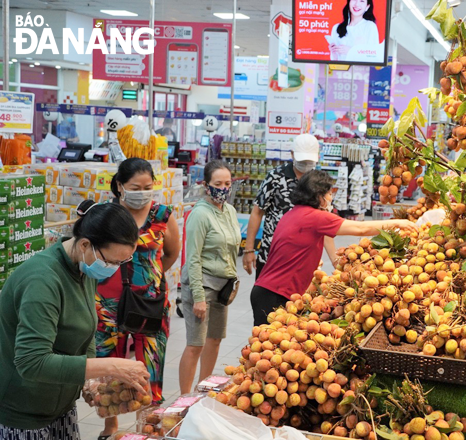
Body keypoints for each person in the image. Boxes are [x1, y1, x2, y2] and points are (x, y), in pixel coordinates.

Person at [0, 200, 148, 439]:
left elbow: (86, 330)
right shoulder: (42, 280)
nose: (113, 269)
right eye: (110, 261)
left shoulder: (84, 267)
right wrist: (110, 366)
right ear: (85, 244)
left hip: (60, 405)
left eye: (121, 262)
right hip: (25, 411)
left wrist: (89, 380)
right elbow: (31, 361)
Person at [250, 170, 417, 325]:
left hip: (268, 290)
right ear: (319, 196)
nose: (331, 198)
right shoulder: (314, 216)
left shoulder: (294, 213)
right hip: (274, 295)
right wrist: (396, 223)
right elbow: (360, 229)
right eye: (329, 194)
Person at [95, 158, 181, 439]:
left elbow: (170, 254)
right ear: (120, 186)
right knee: (110, 365)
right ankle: (111, 429)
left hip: (150, 304)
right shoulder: (105, 215)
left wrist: (149, 280)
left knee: (151, 365)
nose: (142, 192)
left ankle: (147, 428)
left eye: (148, 187)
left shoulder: (162, 215)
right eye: (135, 187)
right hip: (107, 303)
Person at [178, 160, 241, 394]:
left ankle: (203, 391)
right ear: (207, 185)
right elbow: (192, 258)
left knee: (215, 340)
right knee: (196, 344)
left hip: (222, 286)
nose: (223, 188)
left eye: (227, 183)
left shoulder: (231, 211)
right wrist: (198, 297)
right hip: (201, 286)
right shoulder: (199, 215)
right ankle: (184, 399)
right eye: (218, 183)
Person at [244, 133, 336, 279]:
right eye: (302, 160)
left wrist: (335, 260)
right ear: (292, 154)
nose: (306, 164)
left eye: (309, 160)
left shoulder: (320, 181)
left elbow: (324, 223)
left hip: (305, 259)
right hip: (272, 256)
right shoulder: (275, 177)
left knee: (300, 301)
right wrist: (249, 250)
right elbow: (257, 212)